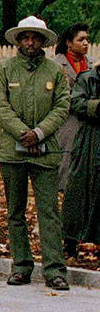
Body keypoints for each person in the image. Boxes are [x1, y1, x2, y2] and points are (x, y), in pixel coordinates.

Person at [0, 17, 71, 289]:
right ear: (18, 40)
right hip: (12, 152)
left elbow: (62, 106)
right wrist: (24, 133)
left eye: (36, 38)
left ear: (43, 41)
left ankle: (55, 270)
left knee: (48, 211)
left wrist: (39, 133)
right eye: (25, 37)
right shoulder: (3, 69)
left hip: (46, 151)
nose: (30, 42)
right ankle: (21, 266)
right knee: (15, 211)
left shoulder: (55, 71)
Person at [62, 63, 100, 250]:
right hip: (88, 138)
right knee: (78, 188)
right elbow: (75, 103)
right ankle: (70, 239)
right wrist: (96, 106)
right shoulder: (87, 78)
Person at [53, 23, 91, 190]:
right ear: (69, 42)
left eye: (87, 39)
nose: (85, 43)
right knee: (65, 164)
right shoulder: (56, 65)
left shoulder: (91, 65)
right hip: (66, 122)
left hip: (88, 122)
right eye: (81, 39)